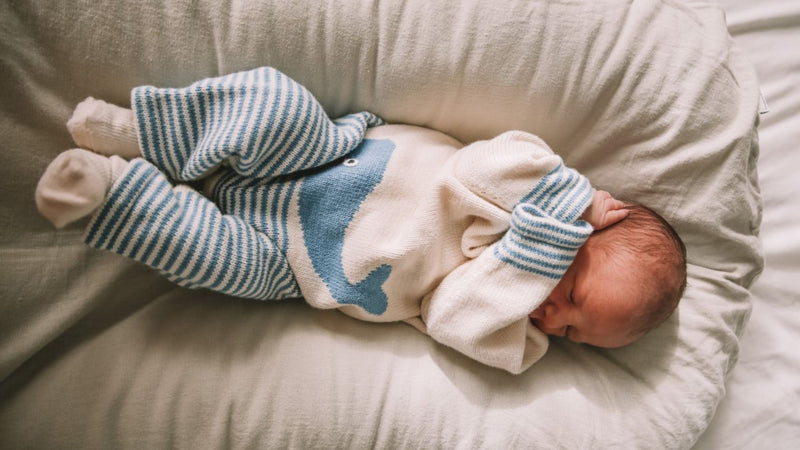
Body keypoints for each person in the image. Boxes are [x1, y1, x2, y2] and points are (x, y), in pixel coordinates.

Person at [35, 67, 686, 374]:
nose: (551, 316)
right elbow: (472, 171)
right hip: (328, 156)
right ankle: (137, 134)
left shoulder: (506, 325)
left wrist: (532, 267)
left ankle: (112, 193)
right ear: (599, 223)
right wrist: (561, 204)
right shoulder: (538, 181)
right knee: (273, 104)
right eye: (573, 294)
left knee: (214, 261)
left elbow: (451, 318)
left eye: (571, 332)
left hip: (292, 264)